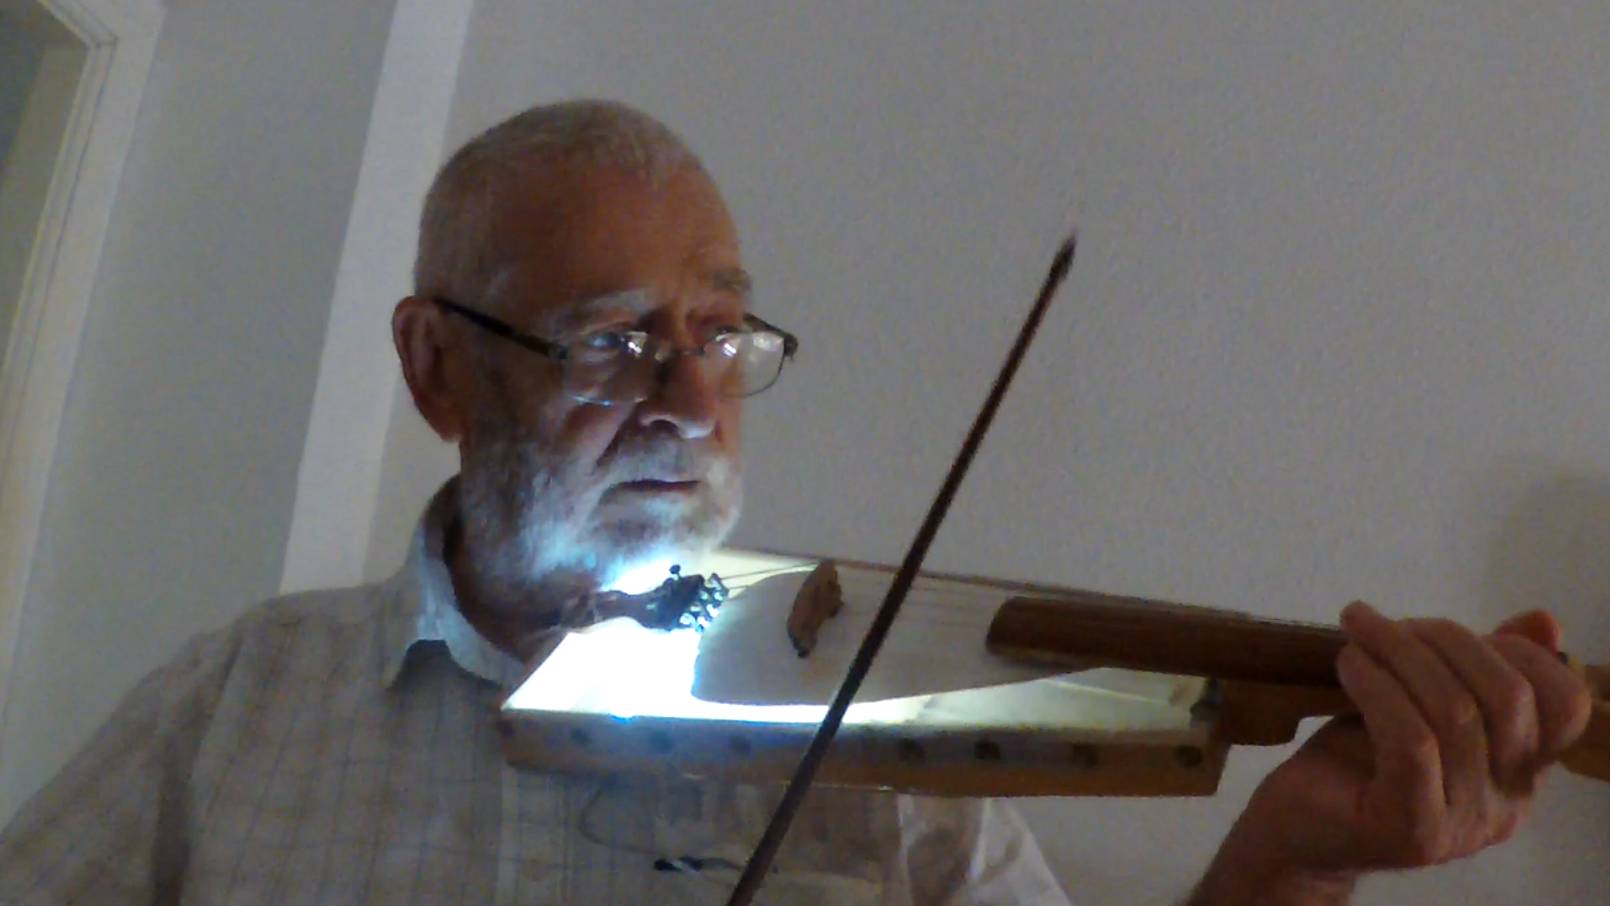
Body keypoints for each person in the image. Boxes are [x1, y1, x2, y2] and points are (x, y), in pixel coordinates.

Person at [0, 100, 1591, 905]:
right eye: (612, 341)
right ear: (436, 366)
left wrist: (1290, 860)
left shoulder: (893, 743)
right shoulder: (233, 707)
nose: (692, 402)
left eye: (721, 334)